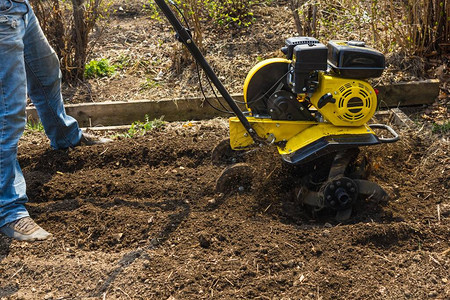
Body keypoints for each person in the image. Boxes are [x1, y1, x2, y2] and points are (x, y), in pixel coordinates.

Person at [0, 0, 111, 242]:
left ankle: (65, 136)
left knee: (46, 72)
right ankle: (7, 209)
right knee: (9, 113)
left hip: (19, 7)